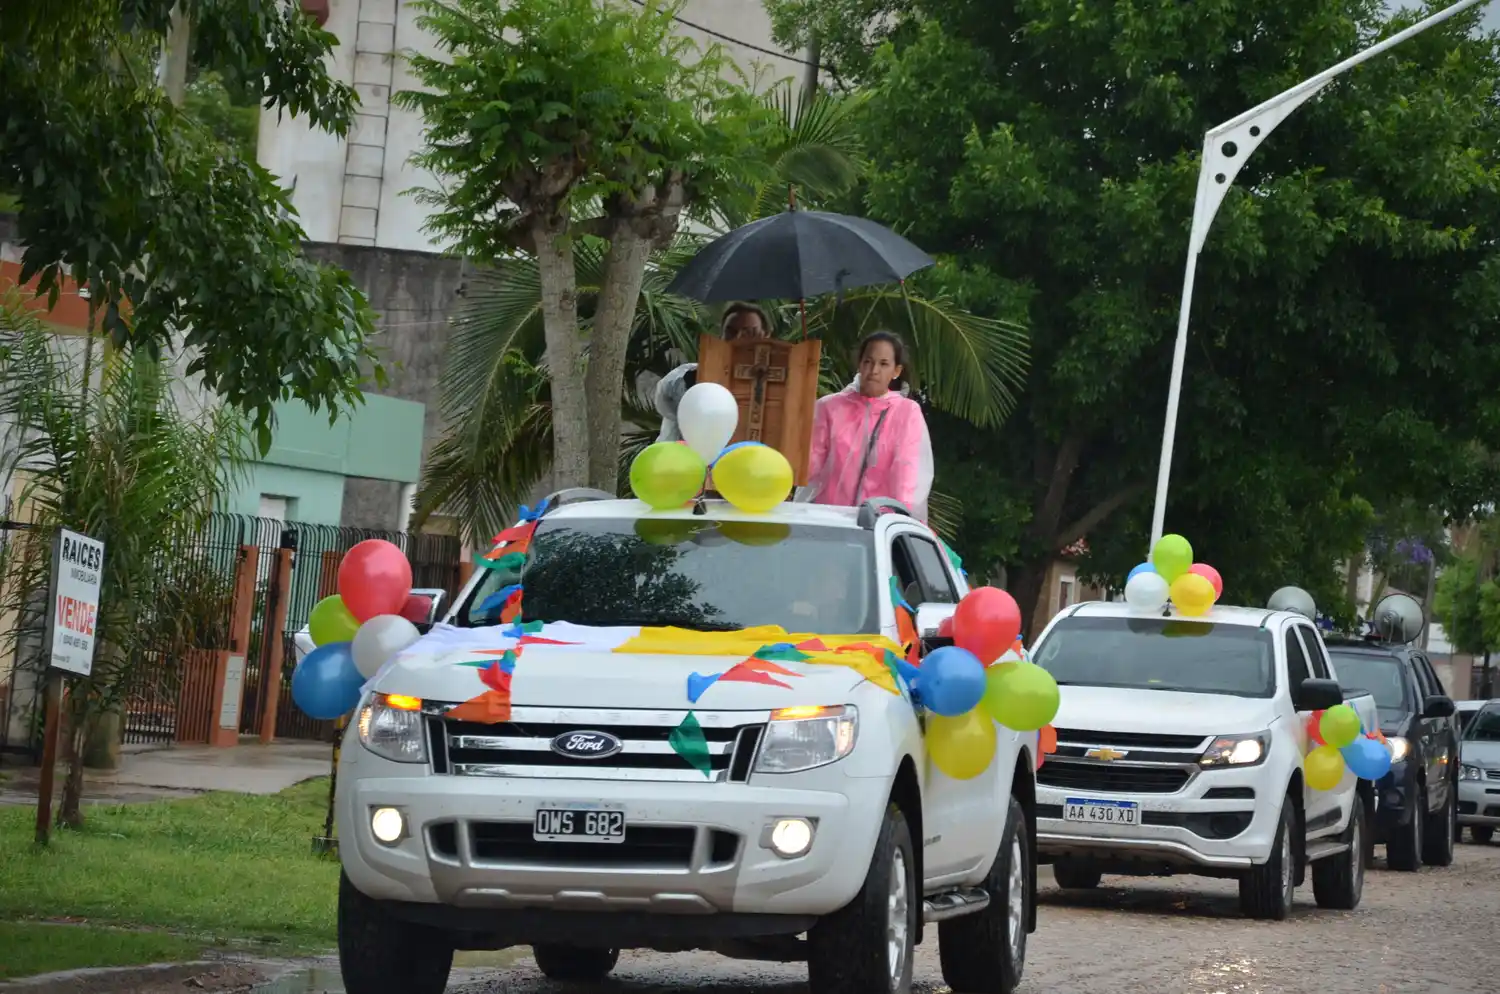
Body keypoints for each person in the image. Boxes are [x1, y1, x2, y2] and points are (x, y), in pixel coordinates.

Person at [802, 331, 933, 520]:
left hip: (878, 526)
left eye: (884, 364)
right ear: (859, 364)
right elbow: (808, 466)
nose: (874, 370)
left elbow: (907, 476)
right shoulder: (829, 408)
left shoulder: (906, 413)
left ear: (896, 371)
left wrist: (899, 520)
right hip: (828, 519)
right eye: (868, 361)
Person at [654, 303, 772, 442]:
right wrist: (699, 378)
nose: (738, 339)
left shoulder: (774, 381)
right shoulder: (691, 373)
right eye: (731, 332)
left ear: (766, 336)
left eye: (749, 332)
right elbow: (665, 398)